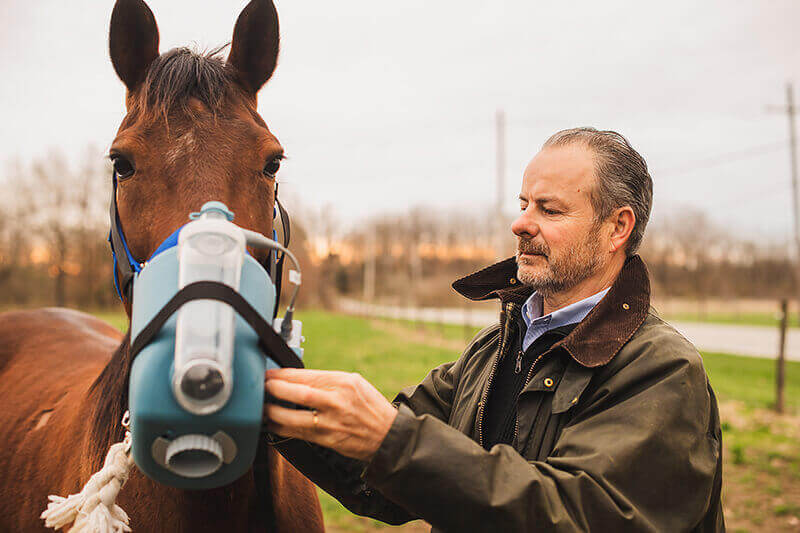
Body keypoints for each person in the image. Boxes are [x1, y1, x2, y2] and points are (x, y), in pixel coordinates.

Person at [263, 127, 724, 532]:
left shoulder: (663, 370)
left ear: (617, 227)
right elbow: (383, 478)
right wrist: (272, 402)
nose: (520, 223)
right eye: (524, 204)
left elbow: (574, 513)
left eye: (550, 209)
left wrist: (393, 441)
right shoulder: (495, 348)